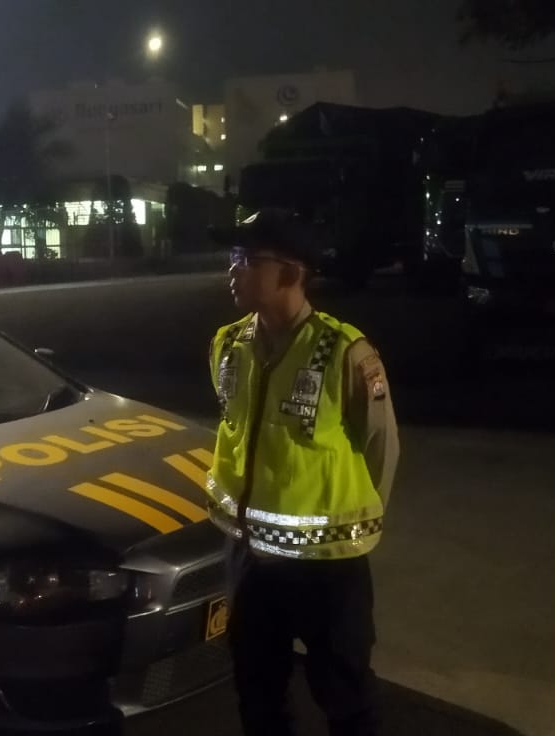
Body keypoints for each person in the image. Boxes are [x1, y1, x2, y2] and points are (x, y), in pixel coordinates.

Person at [207, 208, 400, 736]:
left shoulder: (346, 352)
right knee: (257, 689)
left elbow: (381, 448)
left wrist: (351, 520)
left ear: (290, 273)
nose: (232, 270)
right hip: (249, 557)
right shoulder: (227, 345)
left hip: (328, 566)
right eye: (233, 258)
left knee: (345, 693)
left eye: (248, 260)